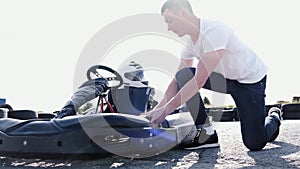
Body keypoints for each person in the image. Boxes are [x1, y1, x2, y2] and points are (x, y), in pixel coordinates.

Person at [145, 0, 282, 151]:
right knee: (183, 75)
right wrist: (156, 110)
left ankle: (274, 116)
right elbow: (176, 81)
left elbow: (199, 80)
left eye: (169, 21)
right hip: (226, 79)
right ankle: (206, 133)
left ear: (183, 13)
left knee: (255, 143)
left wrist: (165, 111)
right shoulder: (189, 44)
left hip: (251, 82)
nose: (169, 28)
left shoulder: (215, 31)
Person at [55, 61, 155, 118]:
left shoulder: (146, 95)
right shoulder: (115, 93)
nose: (140, 78)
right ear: (126, 75)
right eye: (137, 75)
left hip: (132, 123)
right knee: (101, 82)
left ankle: (67, 110)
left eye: (140, 75)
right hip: (107, 120)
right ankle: (67, 110)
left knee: (101, 82)